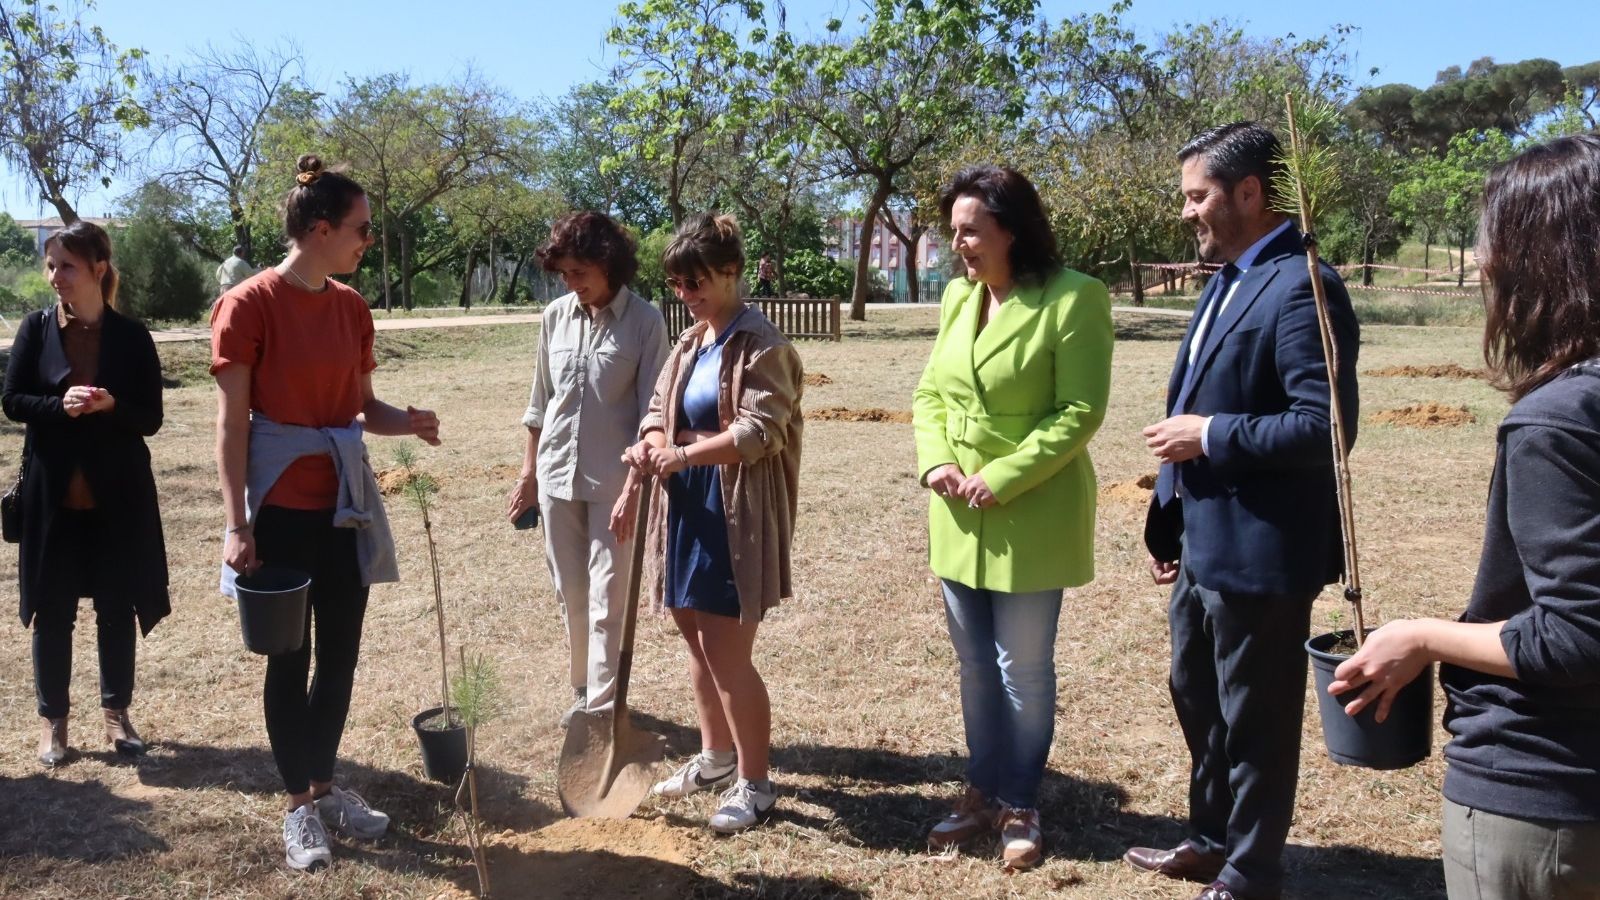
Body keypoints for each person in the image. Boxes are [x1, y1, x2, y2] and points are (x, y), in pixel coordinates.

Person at [1329, 134, 1600, 900]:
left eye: (1494, 237)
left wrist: (1419, 636)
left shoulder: (1560, 421)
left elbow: (1579, 633)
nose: (1482, 261)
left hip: (1547, 797)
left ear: (1543, 255)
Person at [1124, 122, 1359, 900]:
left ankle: (1252, 870)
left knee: (1255, 717)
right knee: (1196, 691)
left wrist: (1211, 435)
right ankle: (1211, 835)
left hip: (1263, 550)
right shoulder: (1228, 279)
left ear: (1250, 194)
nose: (1188, 213)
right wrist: (1170, 518)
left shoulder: (1304, 283)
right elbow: (1196, 397)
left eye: (1199, 197)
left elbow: (1325, 425)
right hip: (1202, 541)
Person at [211, 154, 441, 873]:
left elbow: (364, 408)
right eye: (361, 230)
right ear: (318, 230)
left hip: (346, 509)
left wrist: (412, 421)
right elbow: (233, 424)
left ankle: (325, 785)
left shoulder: (351, 308)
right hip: (279, 508)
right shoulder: (247, 305)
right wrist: (236, 522)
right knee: (290, 659)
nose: (367, 241)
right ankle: (298, 810)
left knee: (340, 655)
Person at [911, 165, 1114, 870]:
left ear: (1012, 228)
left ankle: (1021, 801)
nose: (958, 244)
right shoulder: (957, 299)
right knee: (974, 667)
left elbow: (1080, 411)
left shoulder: (1075, 298)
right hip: (957, 516)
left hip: (1032, 510)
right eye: (954, 232)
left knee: (1020, 668)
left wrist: (1002, 476)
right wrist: (936, 460)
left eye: (970, 230)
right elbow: (931, 394)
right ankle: (983, 788)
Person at [614, 212, 802, 834]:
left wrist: (684, 452)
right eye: (678, 284)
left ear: (732, 272)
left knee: (727, 654)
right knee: (695, 640)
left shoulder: (764, 345)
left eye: (698, 283)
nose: (686, 295)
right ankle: (716, 759)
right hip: (685, 508)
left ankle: (756, 785)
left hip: (732, 514)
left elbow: (759, 433)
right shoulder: (693, 341)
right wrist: (651, 441)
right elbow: (655, 408)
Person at [2, 221, 168, 767]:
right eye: (51, 266)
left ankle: (117, 715)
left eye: (66, 266)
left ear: (98, 268)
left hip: (117, 501)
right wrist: (60, 405)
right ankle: (54, 724)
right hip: (53, 504)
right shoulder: (34, 329)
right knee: (52, 614)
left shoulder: (132, 336)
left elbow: (152, 417)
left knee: (116, 610)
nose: (55, 277)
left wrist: (111, 404)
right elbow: (13, 401)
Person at [506, 211, 668, 728]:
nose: (571, 284)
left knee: (607, 595)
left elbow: (654, 415)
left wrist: (636, 485)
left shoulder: (646, 323)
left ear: (608, 264)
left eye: (580, 273)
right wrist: (529, 474)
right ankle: (585, 691)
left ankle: (602, 706)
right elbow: (540, 403)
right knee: (571, 592)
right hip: (556, 478)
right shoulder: (555, 317)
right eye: (564, 275)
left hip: (615, 486)